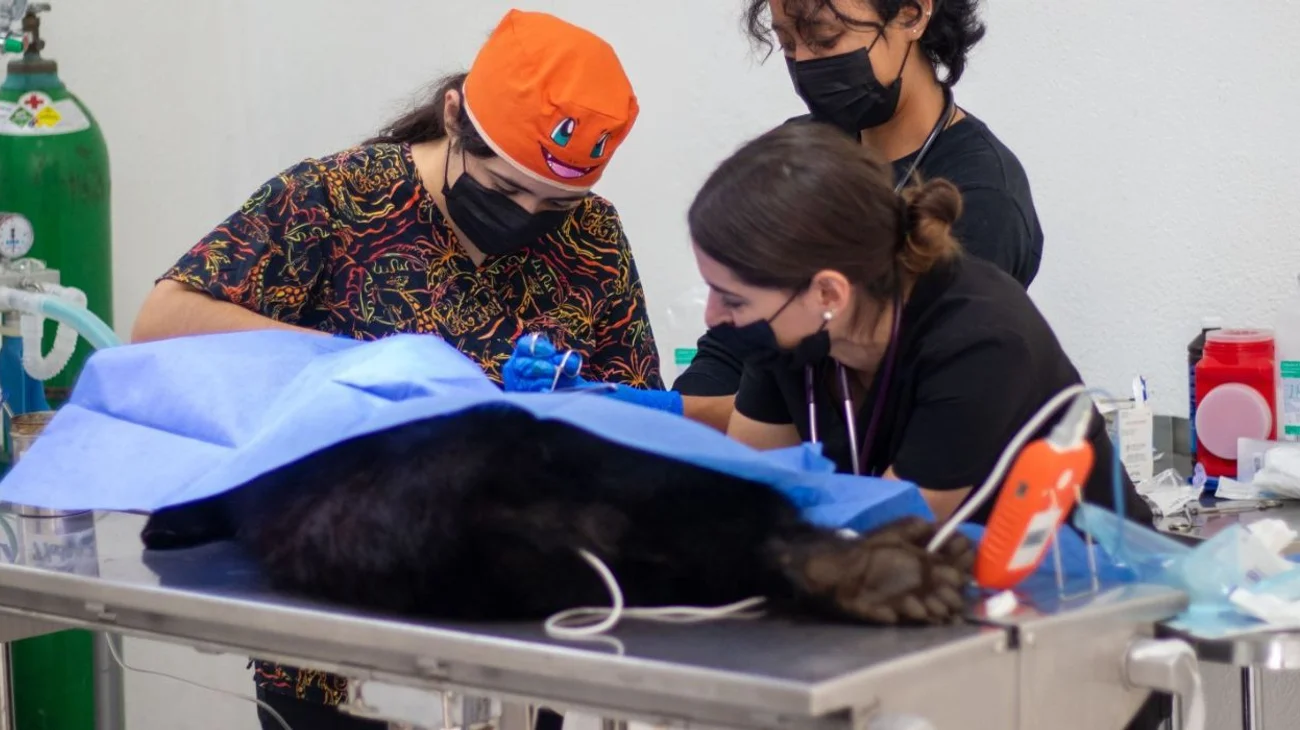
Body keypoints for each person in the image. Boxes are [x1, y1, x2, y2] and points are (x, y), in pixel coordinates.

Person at [131, 8, 661, 728]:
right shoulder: (336, 200)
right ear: (453, 117)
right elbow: (162, 324)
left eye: (554, 203)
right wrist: (370, 368)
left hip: (520, 634)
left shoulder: (592, 237)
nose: (530, 215)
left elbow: (641, 414)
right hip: (332, 631)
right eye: (507, 191)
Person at [685, 122, 1166, 730]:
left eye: (730, 298)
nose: (713, 316)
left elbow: (891, 536)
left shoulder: (979, 338)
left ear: (828, 290)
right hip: (921, 626)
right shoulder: (789, 342)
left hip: (1077, 637)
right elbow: (747, 495)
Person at [674, 0, 1043, 431]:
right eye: (789, 44)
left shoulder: (982, 195)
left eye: (826, 38)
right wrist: (659, 425)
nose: (806, 63)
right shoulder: (799, 153)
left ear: (912, 14)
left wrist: (674, 415)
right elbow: (730, 347)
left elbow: (913, 414)